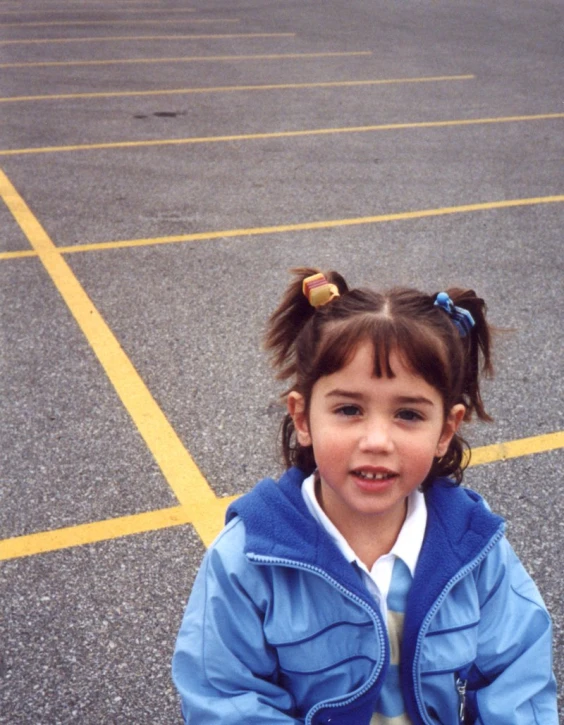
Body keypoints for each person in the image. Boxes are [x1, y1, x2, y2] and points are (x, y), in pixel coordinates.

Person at [172, 267, 557, 724]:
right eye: (349, 409)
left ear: (446, 431)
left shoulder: (476, 549)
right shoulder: (247, 558)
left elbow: (518, 681)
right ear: (302, 418)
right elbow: (227, 699)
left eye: (409, 414)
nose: (377, 440)